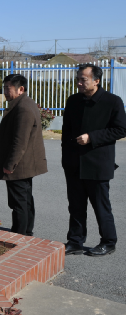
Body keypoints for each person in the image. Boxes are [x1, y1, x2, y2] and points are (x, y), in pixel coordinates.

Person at [62, 64, 126, 256]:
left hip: (98, 163)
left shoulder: (112, 101)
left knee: (101, 206)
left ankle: (108, 241)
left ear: (97, 80)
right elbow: (66, 131)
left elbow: (121, 129)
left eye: (83, 79)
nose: (79, 83)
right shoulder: (73, 100)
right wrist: (66, 158)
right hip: (75, 163)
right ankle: (75, 241)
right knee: (76, 206)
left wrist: (92, 137)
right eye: (78, 79)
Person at [0, 74, 48, 236]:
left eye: (8, 88)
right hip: (24, 164)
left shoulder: (23, 108)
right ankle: (27, 232)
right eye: (4, 88)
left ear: (21, 89)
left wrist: (10, 165)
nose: (5, 92)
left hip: (19, 166)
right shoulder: (24, 103)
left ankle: (19, 235)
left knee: (18, 203)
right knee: (25, 200)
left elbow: (20, 141)